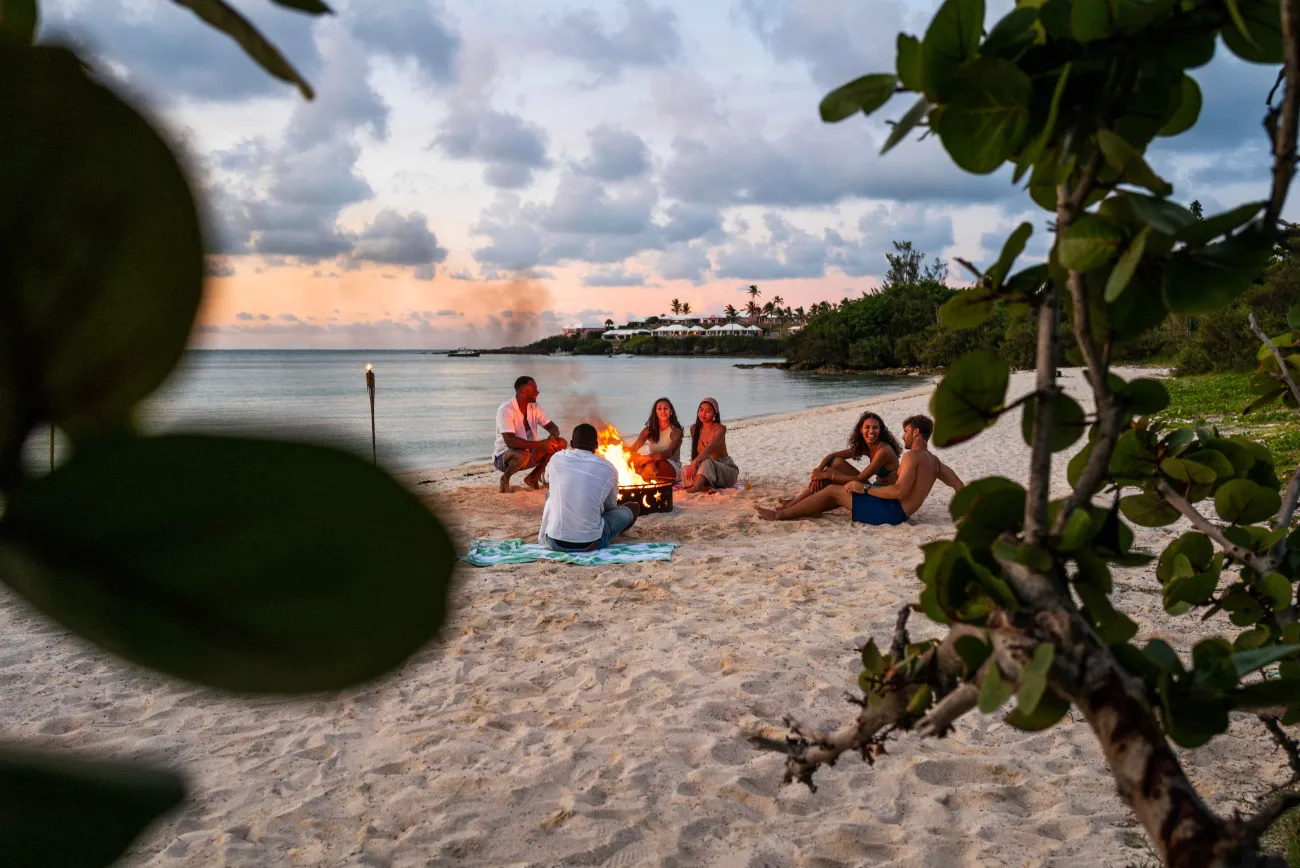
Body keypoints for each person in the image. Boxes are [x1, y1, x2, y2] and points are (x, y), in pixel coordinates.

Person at [756, 414, 963, 523]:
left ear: (916, 432)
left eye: (906, 431)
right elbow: (958, 485)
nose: (903, 436)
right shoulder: (934, 461)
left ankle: (778, 516)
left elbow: (900, 491)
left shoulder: (911, 457)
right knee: (835, 492)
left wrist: (864, 489)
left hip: (892, 513)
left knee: (831, 491)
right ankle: (795, 507)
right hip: (896, 511)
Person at [539, 423, 640, 552]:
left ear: (571, 443)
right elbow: (610, 507)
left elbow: (547, 479)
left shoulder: (557, 459)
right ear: (596, 445)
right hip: (591, 543)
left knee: (551, 494)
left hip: (554, 541)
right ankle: (612, 534)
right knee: (633, 507)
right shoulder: (609, 468)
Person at [777, 411, 901, 509]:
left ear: (881, 430)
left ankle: (795, 505)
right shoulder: (867, 447)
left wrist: (827, 475)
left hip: (882, 495)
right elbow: (832, 456)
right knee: (836, 462)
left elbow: (860, 479)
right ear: (860, 430)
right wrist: (817, 473)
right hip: (873, 487)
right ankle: (795, 503)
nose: (871, 431)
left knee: (826, 477)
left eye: (875, 428)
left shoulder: (883, 450)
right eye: (867, 427)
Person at [494, 375, 566, 493]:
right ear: (523, 391)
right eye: (534, 390)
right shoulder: (506, 409)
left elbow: (552, 427)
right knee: (523, 454)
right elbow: (510, 441)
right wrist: (541, 444)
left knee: (561, 443)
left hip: (528, 453)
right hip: (504, 457)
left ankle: (533, 477)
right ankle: (505, 478)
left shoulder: (535, 407)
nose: (537, 392)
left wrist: (553, 436)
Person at [681, 397, 739, 493]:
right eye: (701, 410)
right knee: (685, 469)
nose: (703, 414)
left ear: (714, 414)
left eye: (708, 411)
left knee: (707, 462)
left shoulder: (720, 429)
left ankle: (696, 487)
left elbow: (709, 449)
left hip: (724, 470)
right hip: (705, 470)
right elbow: (696, 454)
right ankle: (706, 487)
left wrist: (695, 462)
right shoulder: (694, 429)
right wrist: (694, 464)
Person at [627, 397, 684, 481]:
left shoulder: (676, 431)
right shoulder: (648, 430)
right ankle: (646, 480)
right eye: (659, 409)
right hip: (653, 465)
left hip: (671, 466)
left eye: (665, 408)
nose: (663, 411)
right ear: (655, 412)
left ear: (671, 411)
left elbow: (670, 452)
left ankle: (648, 480)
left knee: (657, 462)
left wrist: (650, 457)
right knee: (634, 459)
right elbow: (634, 448)